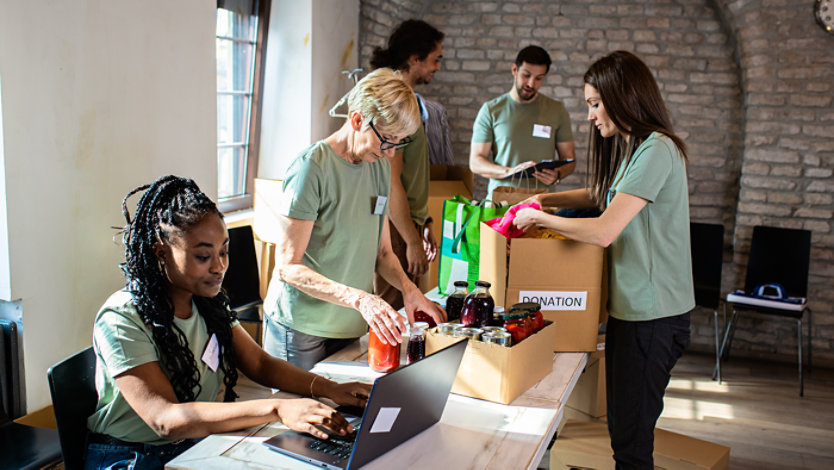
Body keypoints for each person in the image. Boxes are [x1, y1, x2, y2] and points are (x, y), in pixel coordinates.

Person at [86, 175, 372, 469]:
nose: (219, 266)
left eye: (223, 251)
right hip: (133, 456)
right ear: (161, 252)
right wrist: (277, 407)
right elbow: (165, 419)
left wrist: (329, 388)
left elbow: (259, 364)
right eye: (203, 256)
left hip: (193, 443)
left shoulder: (207, 302)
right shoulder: (122, 318)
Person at [512, 51, 694, 469]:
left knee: (630, 441)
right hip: (636, 311)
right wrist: (547, 198)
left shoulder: (656, 150)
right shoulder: (636, 148)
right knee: (624, 429)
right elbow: (603, 196)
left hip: (654, 315)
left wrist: (539, 218)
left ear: (623, 95)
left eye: (595, 103)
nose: (591, 115)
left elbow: (604, 229)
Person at [262, 68, 445, 370]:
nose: (389, 153)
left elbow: (383, 253)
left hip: (349, 325)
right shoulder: (312, 168)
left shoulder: (379, 168)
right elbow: (287, 267)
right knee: (299, 412)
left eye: (398, 143)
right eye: (386, 140)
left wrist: (410, 291)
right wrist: (361, 299)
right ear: (357, 119)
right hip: (301, 328)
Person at [369, 19, 447, 309]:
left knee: (413, 309)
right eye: (435, 59)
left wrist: (424, 222)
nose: (438, 67)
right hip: (396, 226)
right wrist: (411, 240)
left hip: (409, 224)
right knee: (397, 313)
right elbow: (391, 182)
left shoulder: (411, 101)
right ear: (415, 59)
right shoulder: (395, 102)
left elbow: (412, 172)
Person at [469, 45, 576, 201]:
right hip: (501, 203)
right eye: (526, 75)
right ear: (514, 70)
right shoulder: (491, 110)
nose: (531, 84)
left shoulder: (557, 110)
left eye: (539, 78)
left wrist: (558, 174)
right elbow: (476, 162)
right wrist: (510, 171)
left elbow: (569, 159)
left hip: (543, 204)